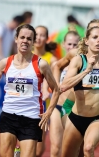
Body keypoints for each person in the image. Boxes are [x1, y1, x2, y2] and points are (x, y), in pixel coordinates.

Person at [0, 24, 60, 157]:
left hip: (31, 117)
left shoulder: (41, 64)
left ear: (33, 42)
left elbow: (56, 90)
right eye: (22, 37)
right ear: (16, 39)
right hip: (9, 116)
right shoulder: (4, 63)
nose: (25, 41)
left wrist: (49, 112)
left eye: (29, 38)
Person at [60, 26, 99, 157]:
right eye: (95, 37)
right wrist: (87, 70)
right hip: (76, 118)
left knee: (88, 148)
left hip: (98, 118)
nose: (98, 40)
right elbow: (64, 85)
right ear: (86, 41)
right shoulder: (78, 60)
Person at [48, 28, 80, 157]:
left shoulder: (83, 64)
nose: (72, 47)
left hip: (75, 109)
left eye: (75, 44)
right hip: (58, 107)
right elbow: (49, 85)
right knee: (56, 148)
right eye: (69, 44)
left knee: (75, 150)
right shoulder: (58, 64)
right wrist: (50, 90)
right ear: (63, 44)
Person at [33, 25, 57, 157]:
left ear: (47, 38)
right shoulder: (24, 55)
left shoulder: (51, 59)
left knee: (39, 150)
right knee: (25, 144)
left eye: (42, 35)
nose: (38, 38)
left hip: (43, 107)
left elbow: (52, 81)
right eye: (36, 34)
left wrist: (46, 90)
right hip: (25, 105)